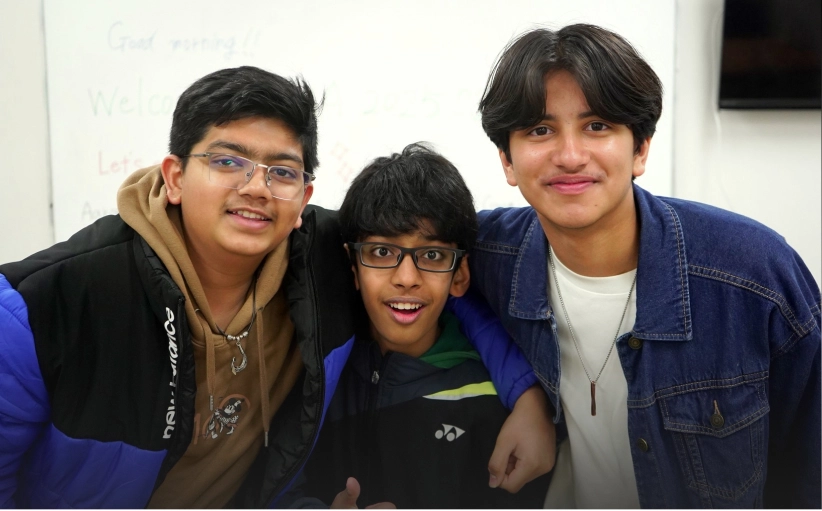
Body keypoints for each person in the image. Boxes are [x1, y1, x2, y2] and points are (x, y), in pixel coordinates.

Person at [0, 66, 554, 508]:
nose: (257, 187)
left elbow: (444, 280)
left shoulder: (327, 260)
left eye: (282, 171)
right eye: (226, 161)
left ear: (305, 197)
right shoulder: (44, 306)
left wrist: (525, 396)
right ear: (173, 176)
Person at [470, 24, 821, 508]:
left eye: (597, 126)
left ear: (640, 149)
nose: (570, 156)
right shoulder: (481, 257)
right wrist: (529, 397)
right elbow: (377, 244)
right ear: (507, 161)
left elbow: (809, 475)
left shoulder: (753, 277)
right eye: (540, 130)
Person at [300, 143, 551, 508]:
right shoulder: (319, 378)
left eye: (432, 255)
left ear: (459, 275)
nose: (406, 278)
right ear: (352, 266)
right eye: (382, 252)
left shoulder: (491, 403)